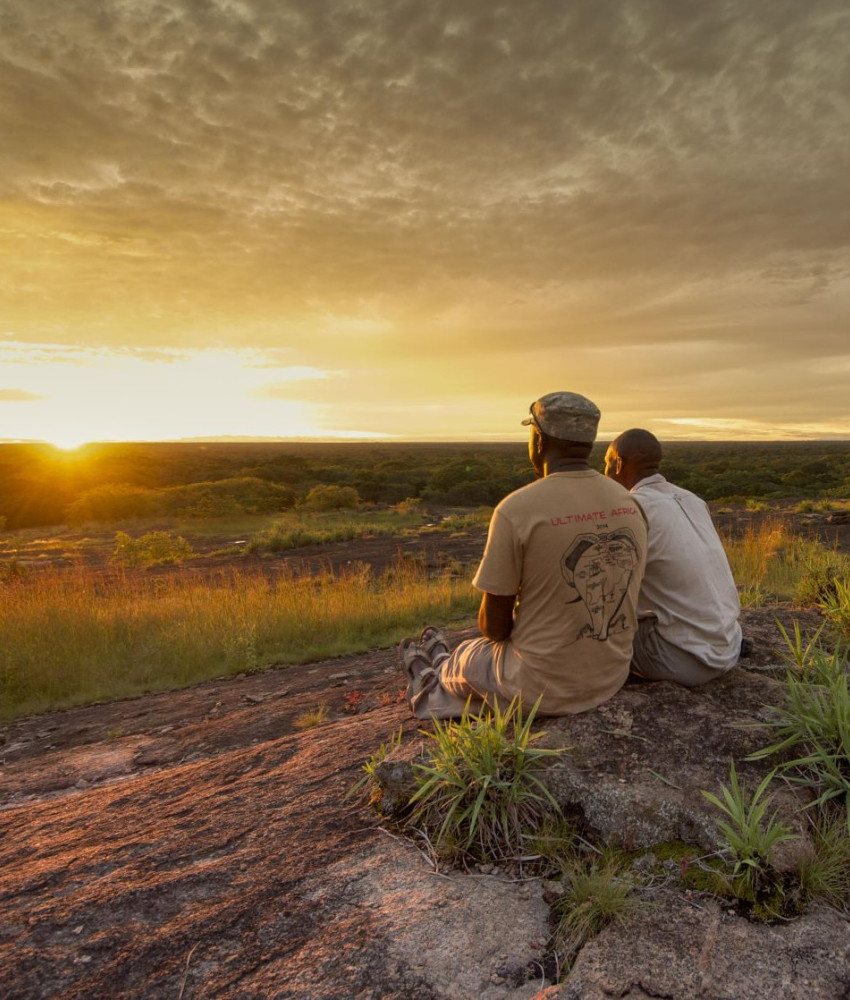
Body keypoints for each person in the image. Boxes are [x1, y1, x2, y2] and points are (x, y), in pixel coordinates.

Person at [399, 392, 648, 719]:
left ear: (540, 440)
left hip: (538, 687)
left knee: (468, 656)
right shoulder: (629, 502)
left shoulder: (516, 509)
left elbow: (495, 628)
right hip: (609, 677)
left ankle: (431, 679)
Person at [603, 428, 742, 687]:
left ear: (618, 464)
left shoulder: (629, 509)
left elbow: (609, 591)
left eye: (606, 464)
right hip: (728, 646)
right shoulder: (693, 499)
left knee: (592, 628)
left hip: (681, 659)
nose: (605, 472)